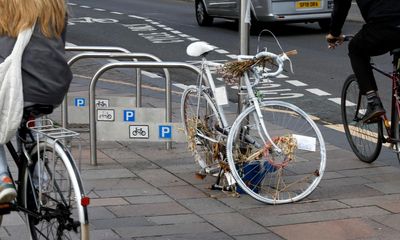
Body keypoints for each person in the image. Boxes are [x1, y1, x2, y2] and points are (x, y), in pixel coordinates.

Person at [0, 0, 72, 203]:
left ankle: (1, 178)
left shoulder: (6, 6)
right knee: (29, 117)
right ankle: (39, 183)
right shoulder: (56, 4)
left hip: (23, 87)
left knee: (16, 101)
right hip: (54, 86)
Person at [326, 0, 400, 123]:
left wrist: (334, 33)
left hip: (382, 25)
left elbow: (341, 6)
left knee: (356, 49)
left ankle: (373, 102)